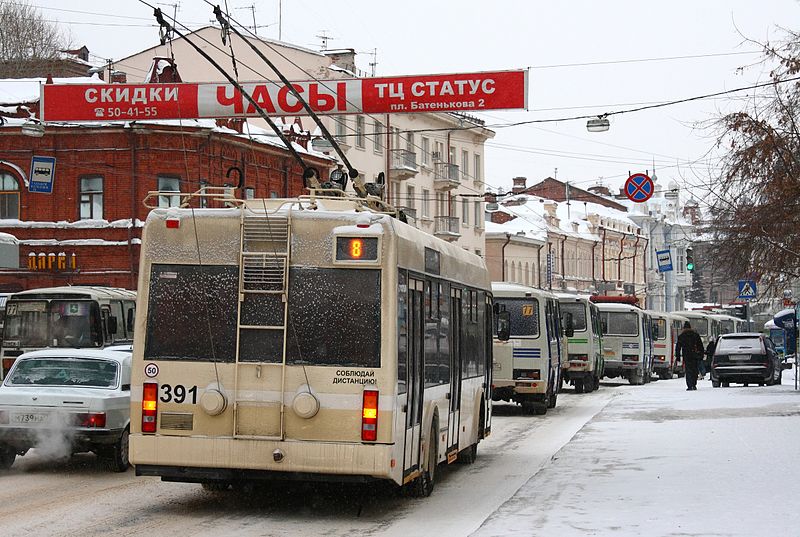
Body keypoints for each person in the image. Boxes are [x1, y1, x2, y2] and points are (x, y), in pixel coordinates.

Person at [675, 320, 704, 391]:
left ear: (684, 328)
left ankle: (689, 385)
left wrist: (678, 357)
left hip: (687, 356)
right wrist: (701, 355)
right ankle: (694, 384)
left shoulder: (681, 336)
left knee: (688, 371)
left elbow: (678, 347)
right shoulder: (695, 335)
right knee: (695, 370)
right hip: (695, 355)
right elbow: (700, 346)